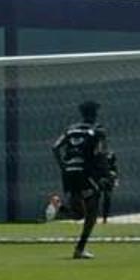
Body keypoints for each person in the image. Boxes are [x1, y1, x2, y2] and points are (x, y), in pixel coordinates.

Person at [50, 99, 108, 260]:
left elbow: (55, 147)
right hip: (85, 172)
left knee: (78, 214)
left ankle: (58, 207)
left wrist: (63, 166)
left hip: (69, 172)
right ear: (94, 114)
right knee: (92, 211)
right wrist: (106, 174)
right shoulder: (98, 129)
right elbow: (101, 153)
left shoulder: (70, 129)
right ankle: (79, 249)